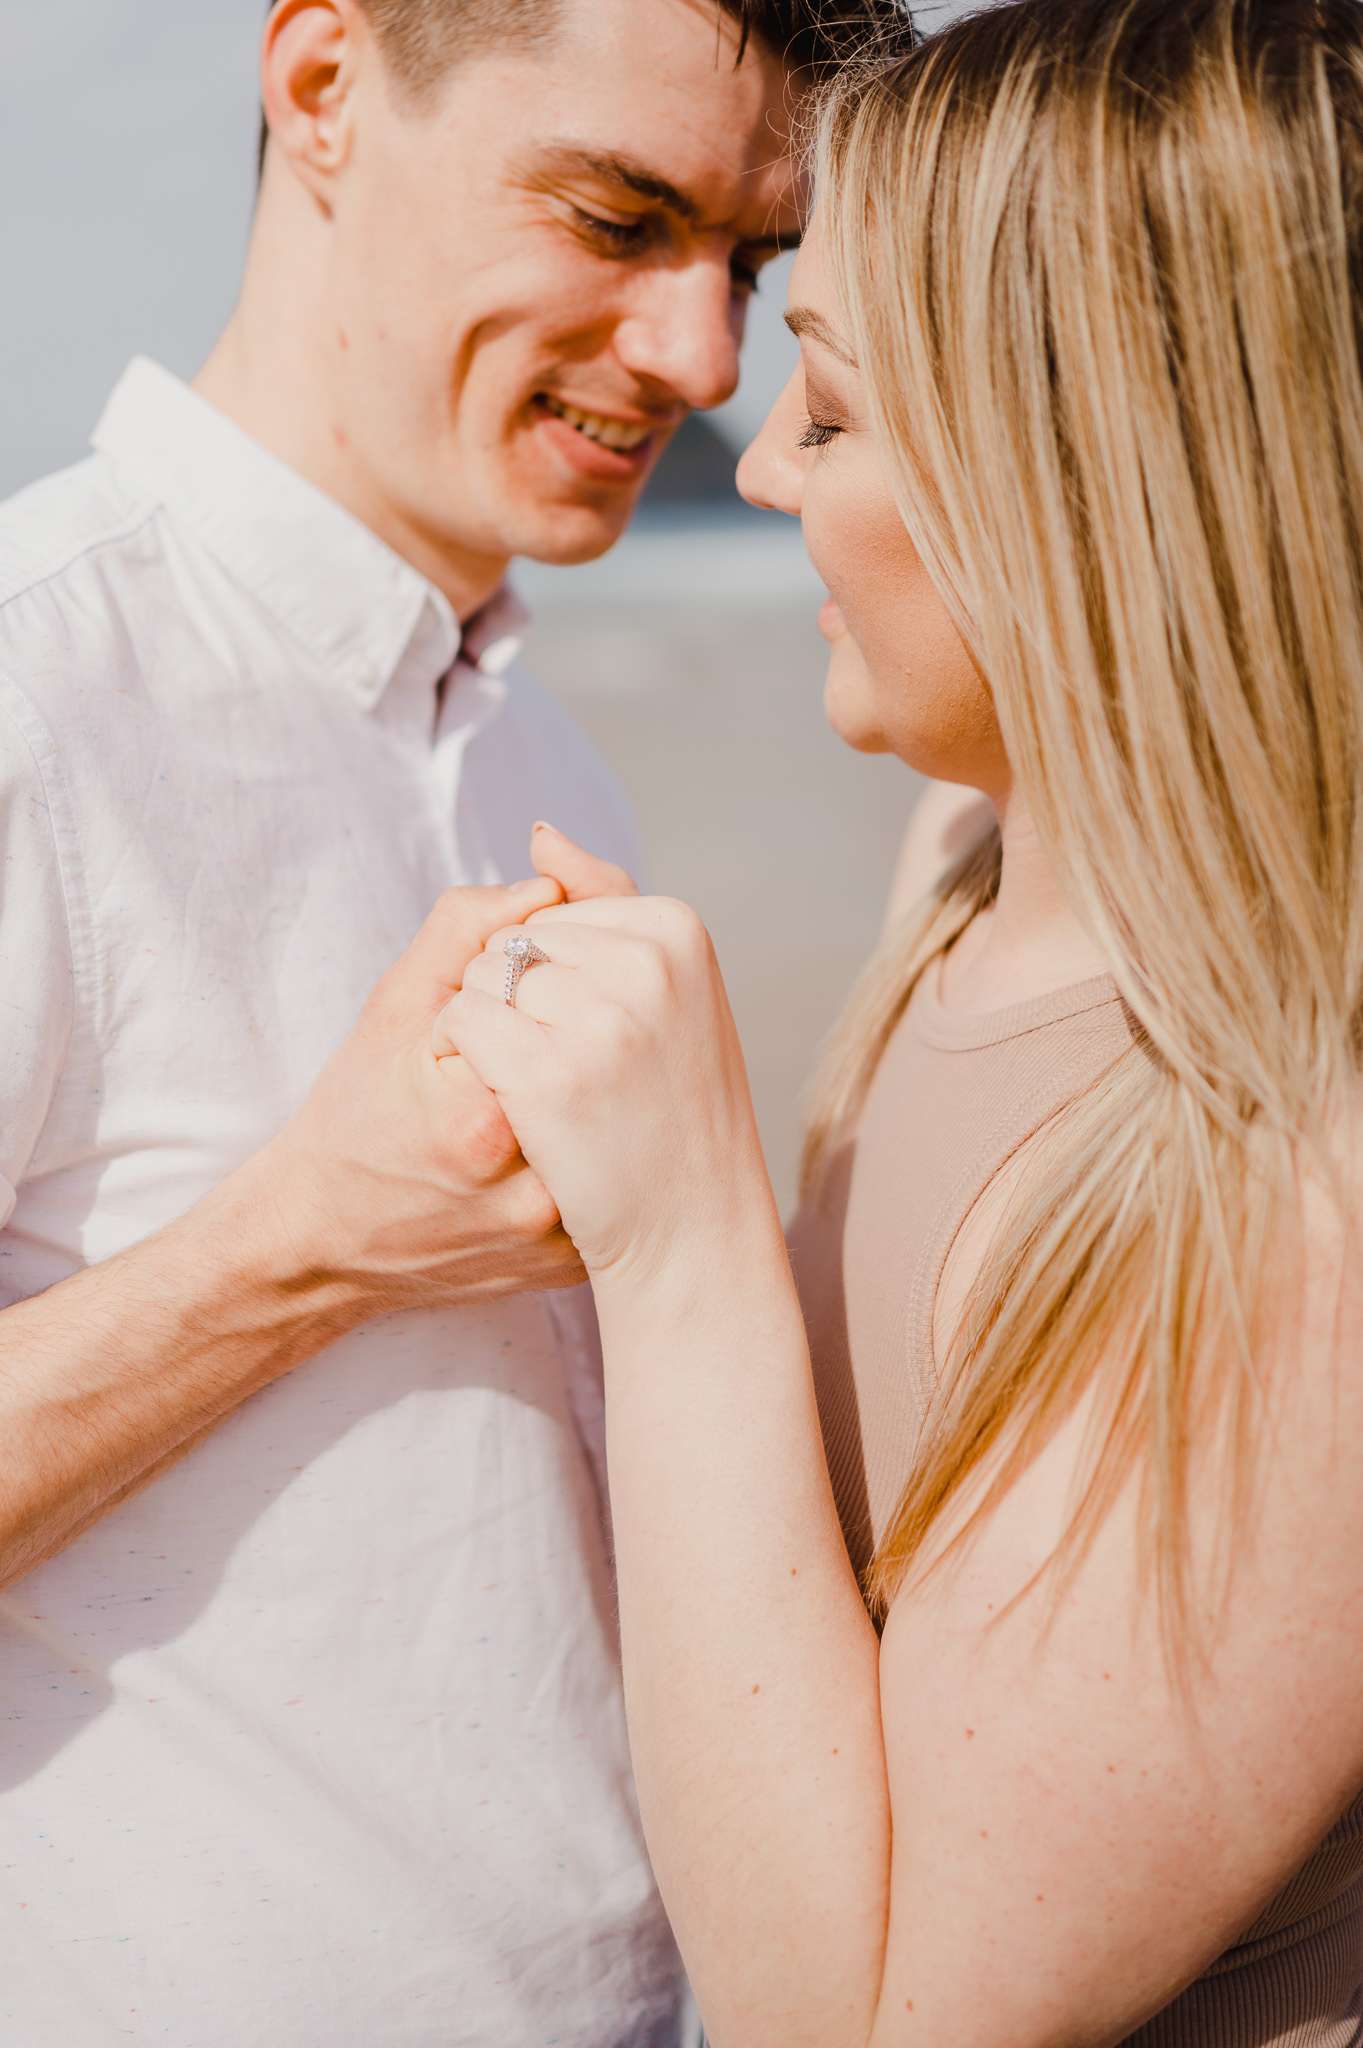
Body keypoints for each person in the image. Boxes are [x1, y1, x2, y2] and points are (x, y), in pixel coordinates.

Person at [446, 1, 1363, 2041]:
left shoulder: (1304, 1176)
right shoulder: (967, 859)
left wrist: (680, 1241)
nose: (757, 468)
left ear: (1095, 470)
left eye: (835, 412)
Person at [0, 1, 912, 2040]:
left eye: (750, 265)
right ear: (323, 88)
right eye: (618, 213)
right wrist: (295, 1244)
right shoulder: (33, 697)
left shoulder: (546, 752)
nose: (700, 356)